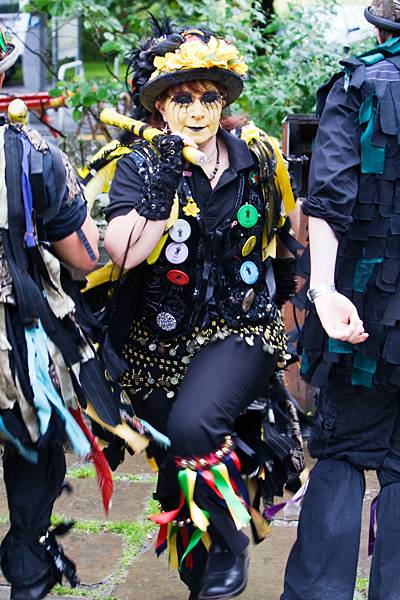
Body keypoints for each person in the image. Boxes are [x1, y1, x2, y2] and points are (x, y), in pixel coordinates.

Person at [103, 19, 302, 600]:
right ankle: (203, 576)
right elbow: (123, 254)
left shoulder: (256, 161)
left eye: (208, 97)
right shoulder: (139, 165)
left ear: (224, 102)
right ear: (161, 106)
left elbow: (283, 240)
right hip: (154, 345)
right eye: (181, 98)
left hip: (241, 329)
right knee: (177, 465)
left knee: (195, 426)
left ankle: (231, 548)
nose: (196, 110)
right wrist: (161, 186)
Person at [0, 24, 132, 600]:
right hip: (17, 335)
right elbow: (82, 259)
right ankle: (27, 563)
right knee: (33, 441)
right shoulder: (29, 153)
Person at [281, 2, 400, 599]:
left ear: (379, 28)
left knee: (344, 452)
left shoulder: (355, 84)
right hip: (367, 311)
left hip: (361, 312)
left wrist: (323, 290)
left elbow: (326, 198)